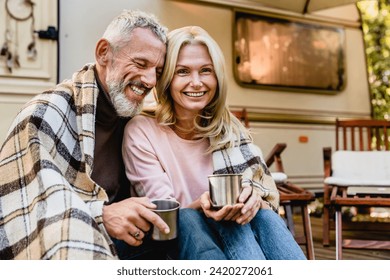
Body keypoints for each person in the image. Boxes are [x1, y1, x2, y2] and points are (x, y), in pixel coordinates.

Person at [122, 26, 307, 260]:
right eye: (183, 71)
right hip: (178, 242)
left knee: (264, 215)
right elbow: (165, 216)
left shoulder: (229, 130)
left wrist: (252, 200)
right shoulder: (142, 131)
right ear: (167, 78)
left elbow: (267, 193)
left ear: (217, 77)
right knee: (219, 219)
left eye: (206, 70)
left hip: (235, 233)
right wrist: (206, 205)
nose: (197, 82)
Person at [0, 10, 171, 260]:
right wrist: (102, 213)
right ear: (104, 53)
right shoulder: (44, 113)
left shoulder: (136, 120)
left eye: (157, 70)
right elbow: (24, 212)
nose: (150, 80)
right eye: (141, 63)